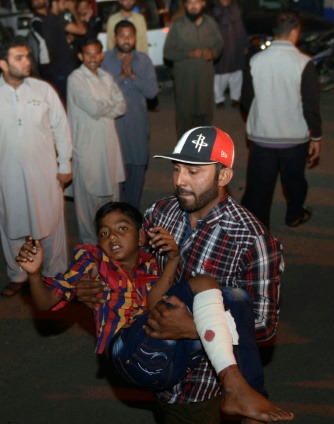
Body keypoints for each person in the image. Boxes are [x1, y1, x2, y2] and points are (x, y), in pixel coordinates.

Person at [77, 127, 284, 424]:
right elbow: (131, 266)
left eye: (194, 171)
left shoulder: (252, 240)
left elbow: (263, 325)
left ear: (223, 175)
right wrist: (93, 286)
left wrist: (194, 330)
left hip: (202, 384)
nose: (181, 181)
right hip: (155, 362)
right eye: (176, 170)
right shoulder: (160, 213)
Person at [16, 200, 293, 424]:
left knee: (237, 298)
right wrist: (35, 274)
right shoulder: (92, 261)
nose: (112, 236)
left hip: (165, 363)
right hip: (126, 350)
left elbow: (156, 304)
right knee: (206, 286)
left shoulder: (153, 266)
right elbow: (45, 302)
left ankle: (248, 400)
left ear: (140, 236)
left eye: (121, 228)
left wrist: (172, 259)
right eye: (104, 232)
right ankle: (237, 388)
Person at [0, 36, 73, 298]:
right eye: (19, 57)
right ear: (3, 64)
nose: (27, 61)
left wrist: (64, 164)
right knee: (12, 226)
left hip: (45, 174)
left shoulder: (43, 90)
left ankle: (55, 274)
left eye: (27, 56)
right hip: (7, 176)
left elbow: (61, 129)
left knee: (51, 224)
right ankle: (18, 275)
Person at [240, 9, 322, 229]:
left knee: (259, 188)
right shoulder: (305, 62)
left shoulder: (255, 59)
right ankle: (294, 214)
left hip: (262, 137)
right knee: (295, 181)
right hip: (294, 138)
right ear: (295, 32)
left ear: (274, 31)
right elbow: (311, 106)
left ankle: (258, 232)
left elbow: (246, 101)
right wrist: (316, 136)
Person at [67, 38, 126, 245]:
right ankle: (90, 253)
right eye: (88, 54)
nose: (92, 58)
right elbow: (92, 107)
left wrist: (105, 106)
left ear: (102, 55)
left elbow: (122, 106)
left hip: (109, 148)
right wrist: (108, 105)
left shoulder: (106, 76)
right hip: (87, 149)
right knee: (88, 207)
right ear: (81, 56)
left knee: (111, 200)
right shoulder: (75, 78)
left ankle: (111, 247)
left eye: (96, 54)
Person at [102, 20, 159, 209]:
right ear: (114, 38)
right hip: (114, 130)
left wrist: (133, 76)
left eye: (130, 36)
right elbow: (101, 93)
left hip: (137, 128)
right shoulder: (104, 61)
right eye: (122, 35)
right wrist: (122, 76)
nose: (126, 40)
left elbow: (152, 92)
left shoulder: (143, 60)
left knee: (136, 173)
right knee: (115, 179)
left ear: (135, 38)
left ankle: (132, 220)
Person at [163, 0, 223, 137]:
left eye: (197, 2)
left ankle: (203, 151)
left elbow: (220, 45)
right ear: (184, 5)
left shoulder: (211, 24)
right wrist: (188, 54)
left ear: (203, 4)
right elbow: (167, 52)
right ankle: (184, 151)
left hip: (204, 80)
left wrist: (212, 53)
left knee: (205, 115)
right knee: (184, 116)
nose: (193, 6)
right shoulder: (178, 26)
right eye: (190, 2)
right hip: (185, 81)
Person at [42, 0, 87, 101]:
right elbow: (82, 30)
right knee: (66, 100)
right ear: (54, 2)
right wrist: (73, 10)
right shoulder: (56, 19)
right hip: (61, 67)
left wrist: (66, 38)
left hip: (58, 66)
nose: (66, 4)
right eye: (63, 1)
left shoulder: (50, 20)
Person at [212, 0, 248, 109]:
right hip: (220, 46)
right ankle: (219, 99)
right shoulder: (213, 9)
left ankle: (235, 98)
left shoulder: (235, 8)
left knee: (236, 73)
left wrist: (245, 44)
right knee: (220, 75)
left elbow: (240, 27)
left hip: (236, 45)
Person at [27, 0, 51, 78]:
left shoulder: (53, 16)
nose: (38, 1)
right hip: (47, 61)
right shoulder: (36, 21)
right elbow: (50, 37)